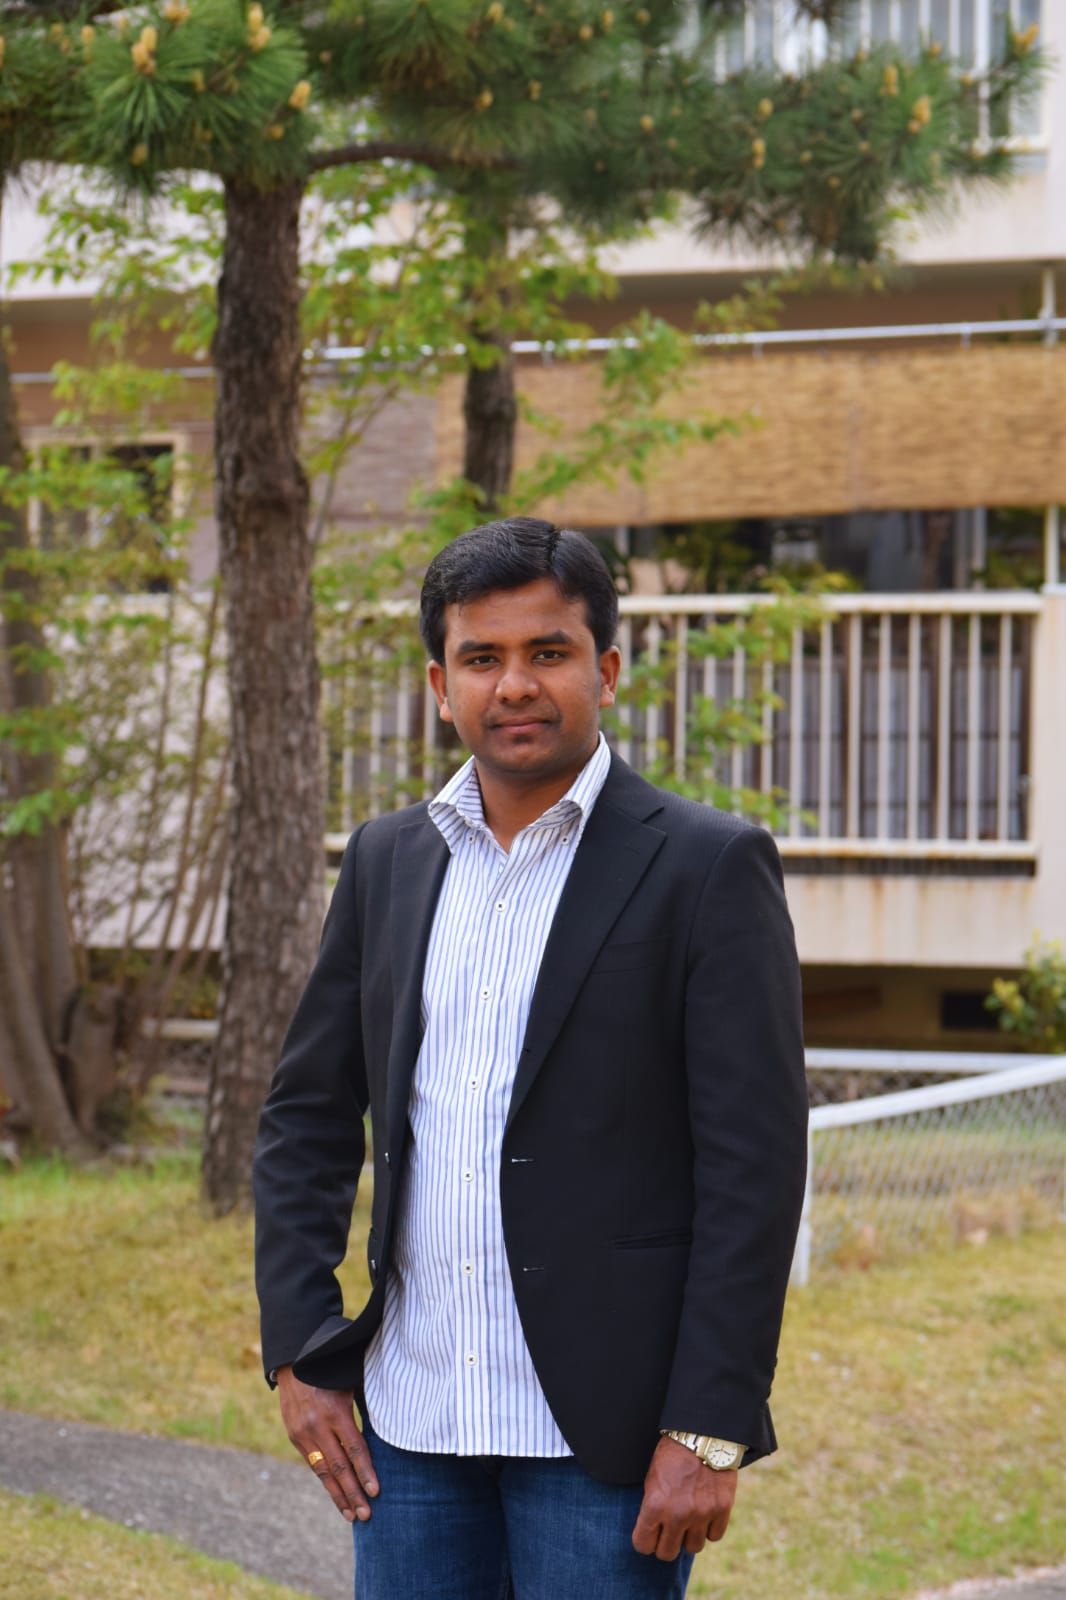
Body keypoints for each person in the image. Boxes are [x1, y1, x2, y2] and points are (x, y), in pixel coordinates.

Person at [253, 517, 808, 1600]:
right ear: (440, 684)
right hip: (409, 1428)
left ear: (606, 669)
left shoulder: (706, 866)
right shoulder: (386, 861)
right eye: (482, 658)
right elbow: (306, 1119)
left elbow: (755, 1168)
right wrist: (299, 1349)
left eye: (547, 652)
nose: (514, 685)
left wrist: (710, 1424)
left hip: (606, 1438)